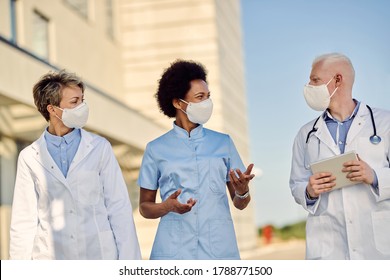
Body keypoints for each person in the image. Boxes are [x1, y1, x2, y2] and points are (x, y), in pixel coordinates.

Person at [9, 69, 141, 260]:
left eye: (82, 100)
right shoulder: (29, 157)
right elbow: (24, 221)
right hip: (50, 259)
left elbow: (118, 208)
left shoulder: (99, 148)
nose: (82, 106)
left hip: (98, 256)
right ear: (52, 109)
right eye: (74, 102)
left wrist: (129, 264)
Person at [137, 60, 255, 260]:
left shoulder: (223, 143)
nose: (206, 103)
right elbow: (144, 207)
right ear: (177, 102)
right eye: (199, 97)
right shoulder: (156, 149)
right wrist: (168, 206)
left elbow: (240, 204)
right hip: (173, 250)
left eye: (208, 97)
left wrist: (243, 192)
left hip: (218, 249)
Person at [289, 53, 390, 259]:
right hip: (328, 248)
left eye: (314, 80)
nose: (308, 85)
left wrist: (375, 176)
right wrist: (309, 191)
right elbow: (295, 184)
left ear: (337, 80)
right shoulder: (306, 134)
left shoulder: (384, 123)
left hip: (377, 246)